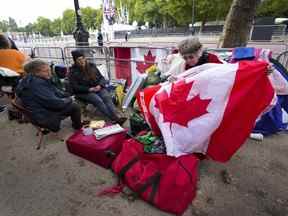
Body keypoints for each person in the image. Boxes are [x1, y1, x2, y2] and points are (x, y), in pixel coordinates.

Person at [16, 59, 82, 132]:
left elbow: (54, 91)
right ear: (35, 73)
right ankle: (78, 128)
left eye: (50, 70)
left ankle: (76, 124)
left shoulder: (29, 79)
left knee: (68, 100)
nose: (50, 73)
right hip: (44, 117)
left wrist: (66, 95)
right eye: (46, 71)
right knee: (75, 106)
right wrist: (69, 99)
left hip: (39, 111)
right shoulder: (37, 84)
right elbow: (56, 104)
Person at [69, 50, 126, 125]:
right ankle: (115, 118)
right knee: (98, 100)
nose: (81, 61)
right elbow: (75, 87)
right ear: (75, 61)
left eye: (82, 58)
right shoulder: (73, 71)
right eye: (79, 60)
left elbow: (102, 78)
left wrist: (100, 85)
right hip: (85, 92)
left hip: (97, 87)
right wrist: (89, 89)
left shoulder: (92, 66)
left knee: (106, 97)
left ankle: (117, 116)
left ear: (85, 58)